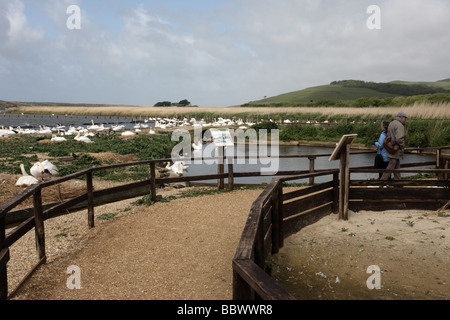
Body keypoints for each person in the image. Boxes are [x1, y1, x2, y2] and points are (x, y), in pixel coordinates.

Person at [380, 112, 408, 180]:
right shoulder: (400, 125)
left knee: (396, 167)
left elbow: (388, 136)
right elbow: (399, 138)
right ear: (401, 117)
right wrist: (402, 146)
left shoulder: (391, 123)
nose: (405, 119)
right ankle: (382, 182)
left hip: (390, 148)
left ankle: (398, 183)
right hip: (396, 149)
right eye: (405, 118)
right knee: (391, 167)